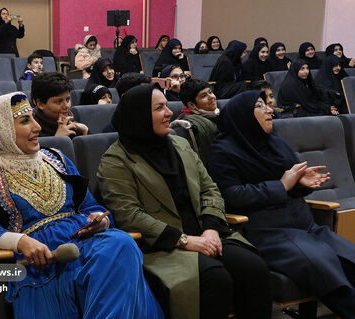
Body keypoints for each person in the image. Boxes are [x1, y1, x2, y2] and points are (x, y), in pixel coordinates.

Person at [0, 92, 164, 319]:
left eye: (33, 118)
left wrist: (99, 221)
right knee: (118, 250)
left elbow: (89, 207)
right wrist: (21, 241)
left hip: (85, 243)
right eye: (25, 121)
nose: (37, 127)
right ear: (2, 128)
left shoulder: (55, 157)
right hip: (44, 261)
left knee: (120, 243)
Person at [97, 83, 272, 319]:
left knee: (254, 269)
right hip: (161, 246)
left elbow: (209, 188)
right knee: (214, 278)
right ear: (139, 116)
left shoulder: (180, 144)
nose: (170, 113)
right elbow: (129, 215)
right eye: (160, 108)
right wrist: (185, 240)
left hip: (206, 234)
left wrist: (211, 228)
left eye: (167, 106)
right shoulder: (116, 160)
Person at [208, 90, 355, 319]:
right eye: (260, 106)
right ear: (243, 115)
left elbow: (291, 180)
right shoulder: (222, 150)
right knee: (322, 265)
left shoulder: (275, 141)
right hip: (269, 232)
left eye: (268, 104)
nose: (269, 110)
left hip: (306, 225)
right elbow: (231, 197)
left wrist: (301, 183)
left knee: (350, 256)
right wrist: (282, 185)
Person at [175, 78, 219, 164]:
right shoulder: (187, 126)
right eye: (204, 96)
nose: (211, 97)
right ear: (192, 105)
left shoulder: (219, 113)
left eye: (210, 92)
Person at [31, 72, 88, 137]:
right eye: (58, 101)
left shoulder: (74, 125)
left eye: (67, 99)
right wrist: (58, 140)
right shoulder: (32, 131)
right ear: (40, 104)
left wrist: (85, 132)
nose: (66, 106)